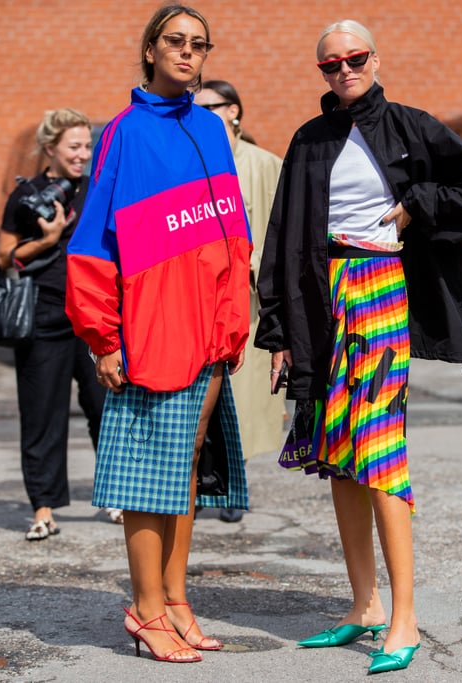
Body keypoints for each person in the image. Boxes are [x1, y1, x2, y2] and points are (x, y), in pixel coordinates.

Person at [254, 20, 462, 674]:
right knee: (338, 453)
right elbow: (284, 236)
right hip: (322, 296)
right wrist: (280, 331)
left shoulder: (410, 127)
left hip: (380, 292)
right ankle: (365, 605)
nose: (344, 70)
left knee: (377, 448)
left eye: (355, 58)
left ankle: (405, 616)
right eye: (331, 64)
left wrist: (416, 205)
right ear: (320, 72)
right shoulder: (309, 141)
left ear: (376, 58)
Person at [65, 4, 251, 664]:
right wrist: (104, 339)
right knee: (149, 476)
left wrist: (234, 321)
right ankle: (145, 611)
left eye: (199, 45)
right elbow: (91, 247)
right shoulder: (122, 133)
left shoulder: (207, 127)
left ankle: (175, 598)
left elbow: (232, 233)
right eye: (175, 42)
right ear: (150, 50)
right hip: (150, 335)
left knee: (186, 470)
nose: (188, 53)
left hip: (209, 337)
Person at [0, 108, 109, 542]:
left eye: (86, 146)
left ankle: (114, 497)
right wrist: (45, 239)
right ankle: (43, 508)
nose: (83, 154)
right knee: (43, 415)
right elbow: (4, 256)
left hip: (94, 316)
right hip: (44, 316)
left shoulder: (98, 190)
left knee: (105, 410)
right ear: (50, 149)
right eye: (73, 147)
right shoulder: (27, 197)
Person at [195, 79, 284, 523]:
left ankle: (233, 486)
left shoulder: (265, 164)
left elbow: (280, 229)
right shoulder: (191, 161)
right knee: (198, 398)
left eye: (211, 105)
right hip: (199, 298)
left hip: (248, 300)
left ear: (234, 111)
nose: (202, 112)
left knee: (242, 400)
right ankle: (199, 479)